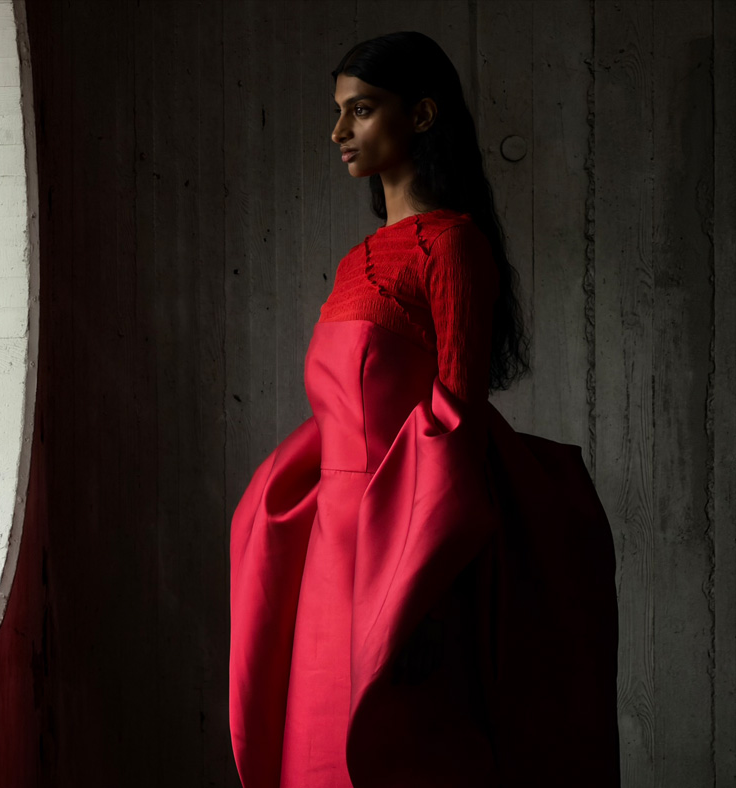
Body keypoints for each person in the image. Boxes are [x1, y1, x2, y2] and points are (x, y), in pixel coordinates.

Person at [228, 32, 620, 788]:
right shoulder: (354, 261)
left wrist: (421, 592)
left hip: (407, 558)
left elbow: (455, 422)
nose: (338, 133)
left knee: (401, 753)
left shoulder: (453, 247)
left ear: (423, 115)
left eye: (362, 111)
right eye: (337, 113)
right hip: (331, 558)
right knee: (317, 753)